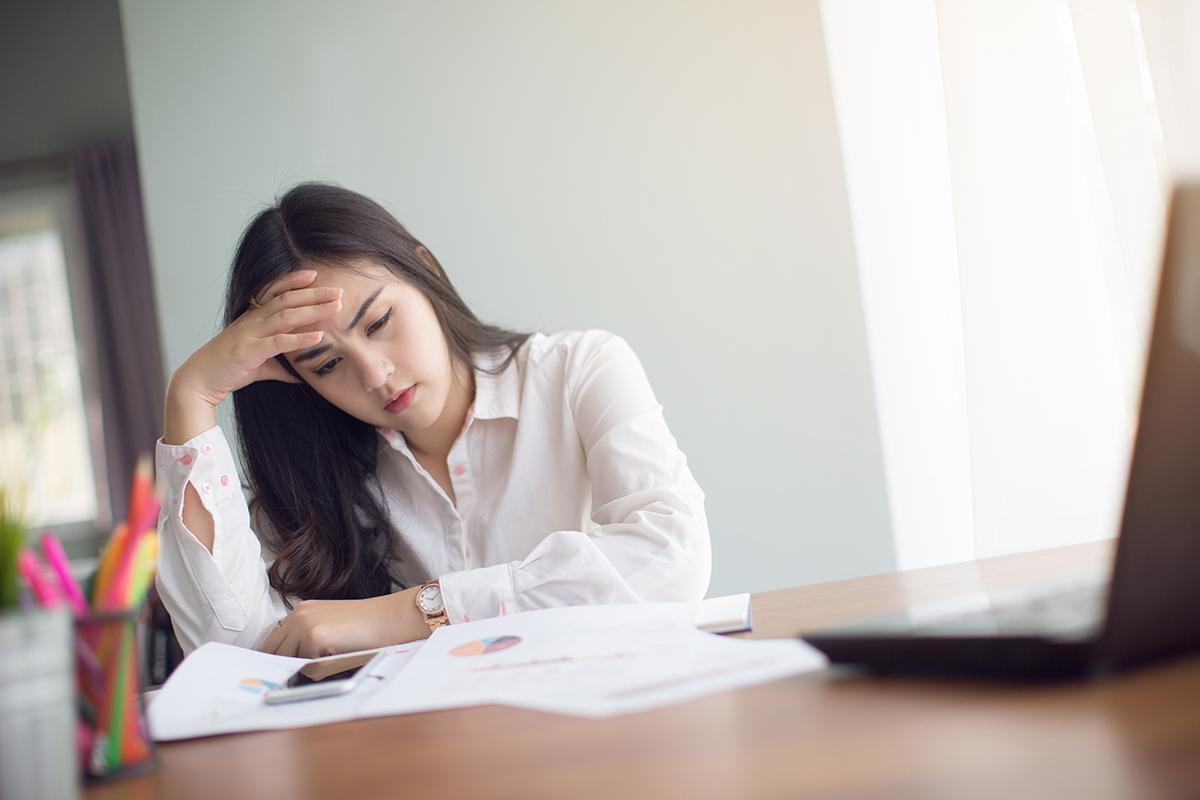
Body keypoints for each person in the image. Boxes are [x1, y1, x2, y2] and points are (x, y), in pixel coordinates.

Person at [154, 182, 712, 658]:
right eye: (326, 365)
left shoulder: (579, 371)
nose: (374, 374)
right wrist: (192, 395)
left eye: (379, 323)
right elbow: (232, 655)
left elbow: (672, 559)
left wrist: (412, 613)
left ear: (426, 271)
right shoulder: (312, 482)